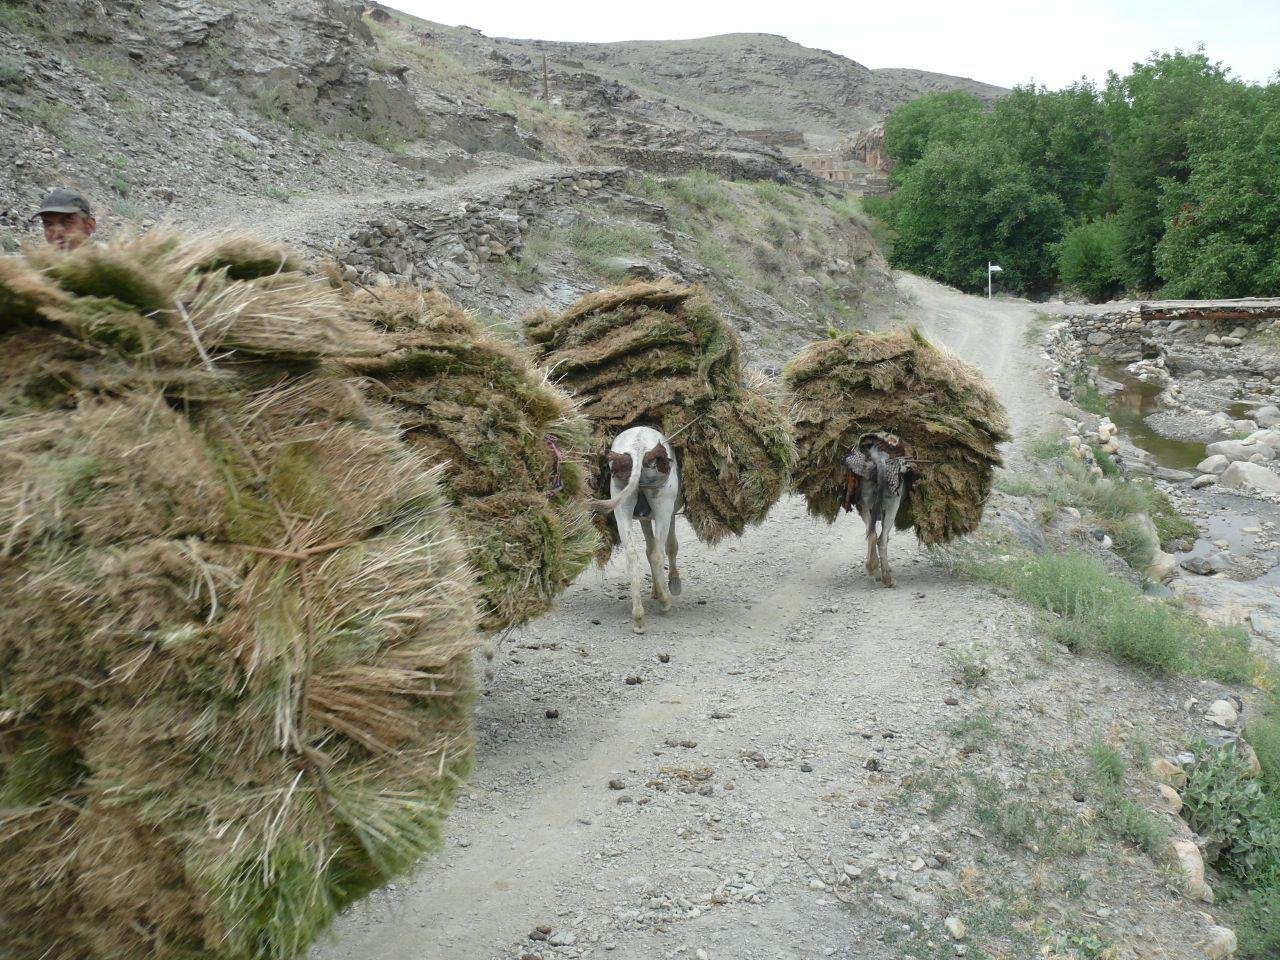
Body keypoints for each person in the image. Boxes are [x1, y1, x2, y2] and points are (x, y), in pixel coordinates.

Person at [33, 188, 97, 250]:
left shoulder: (104, 259)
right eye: (49, 225)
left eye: (67, 222)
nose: (57, 234)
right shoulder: (36, 260)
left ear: (90, 225)